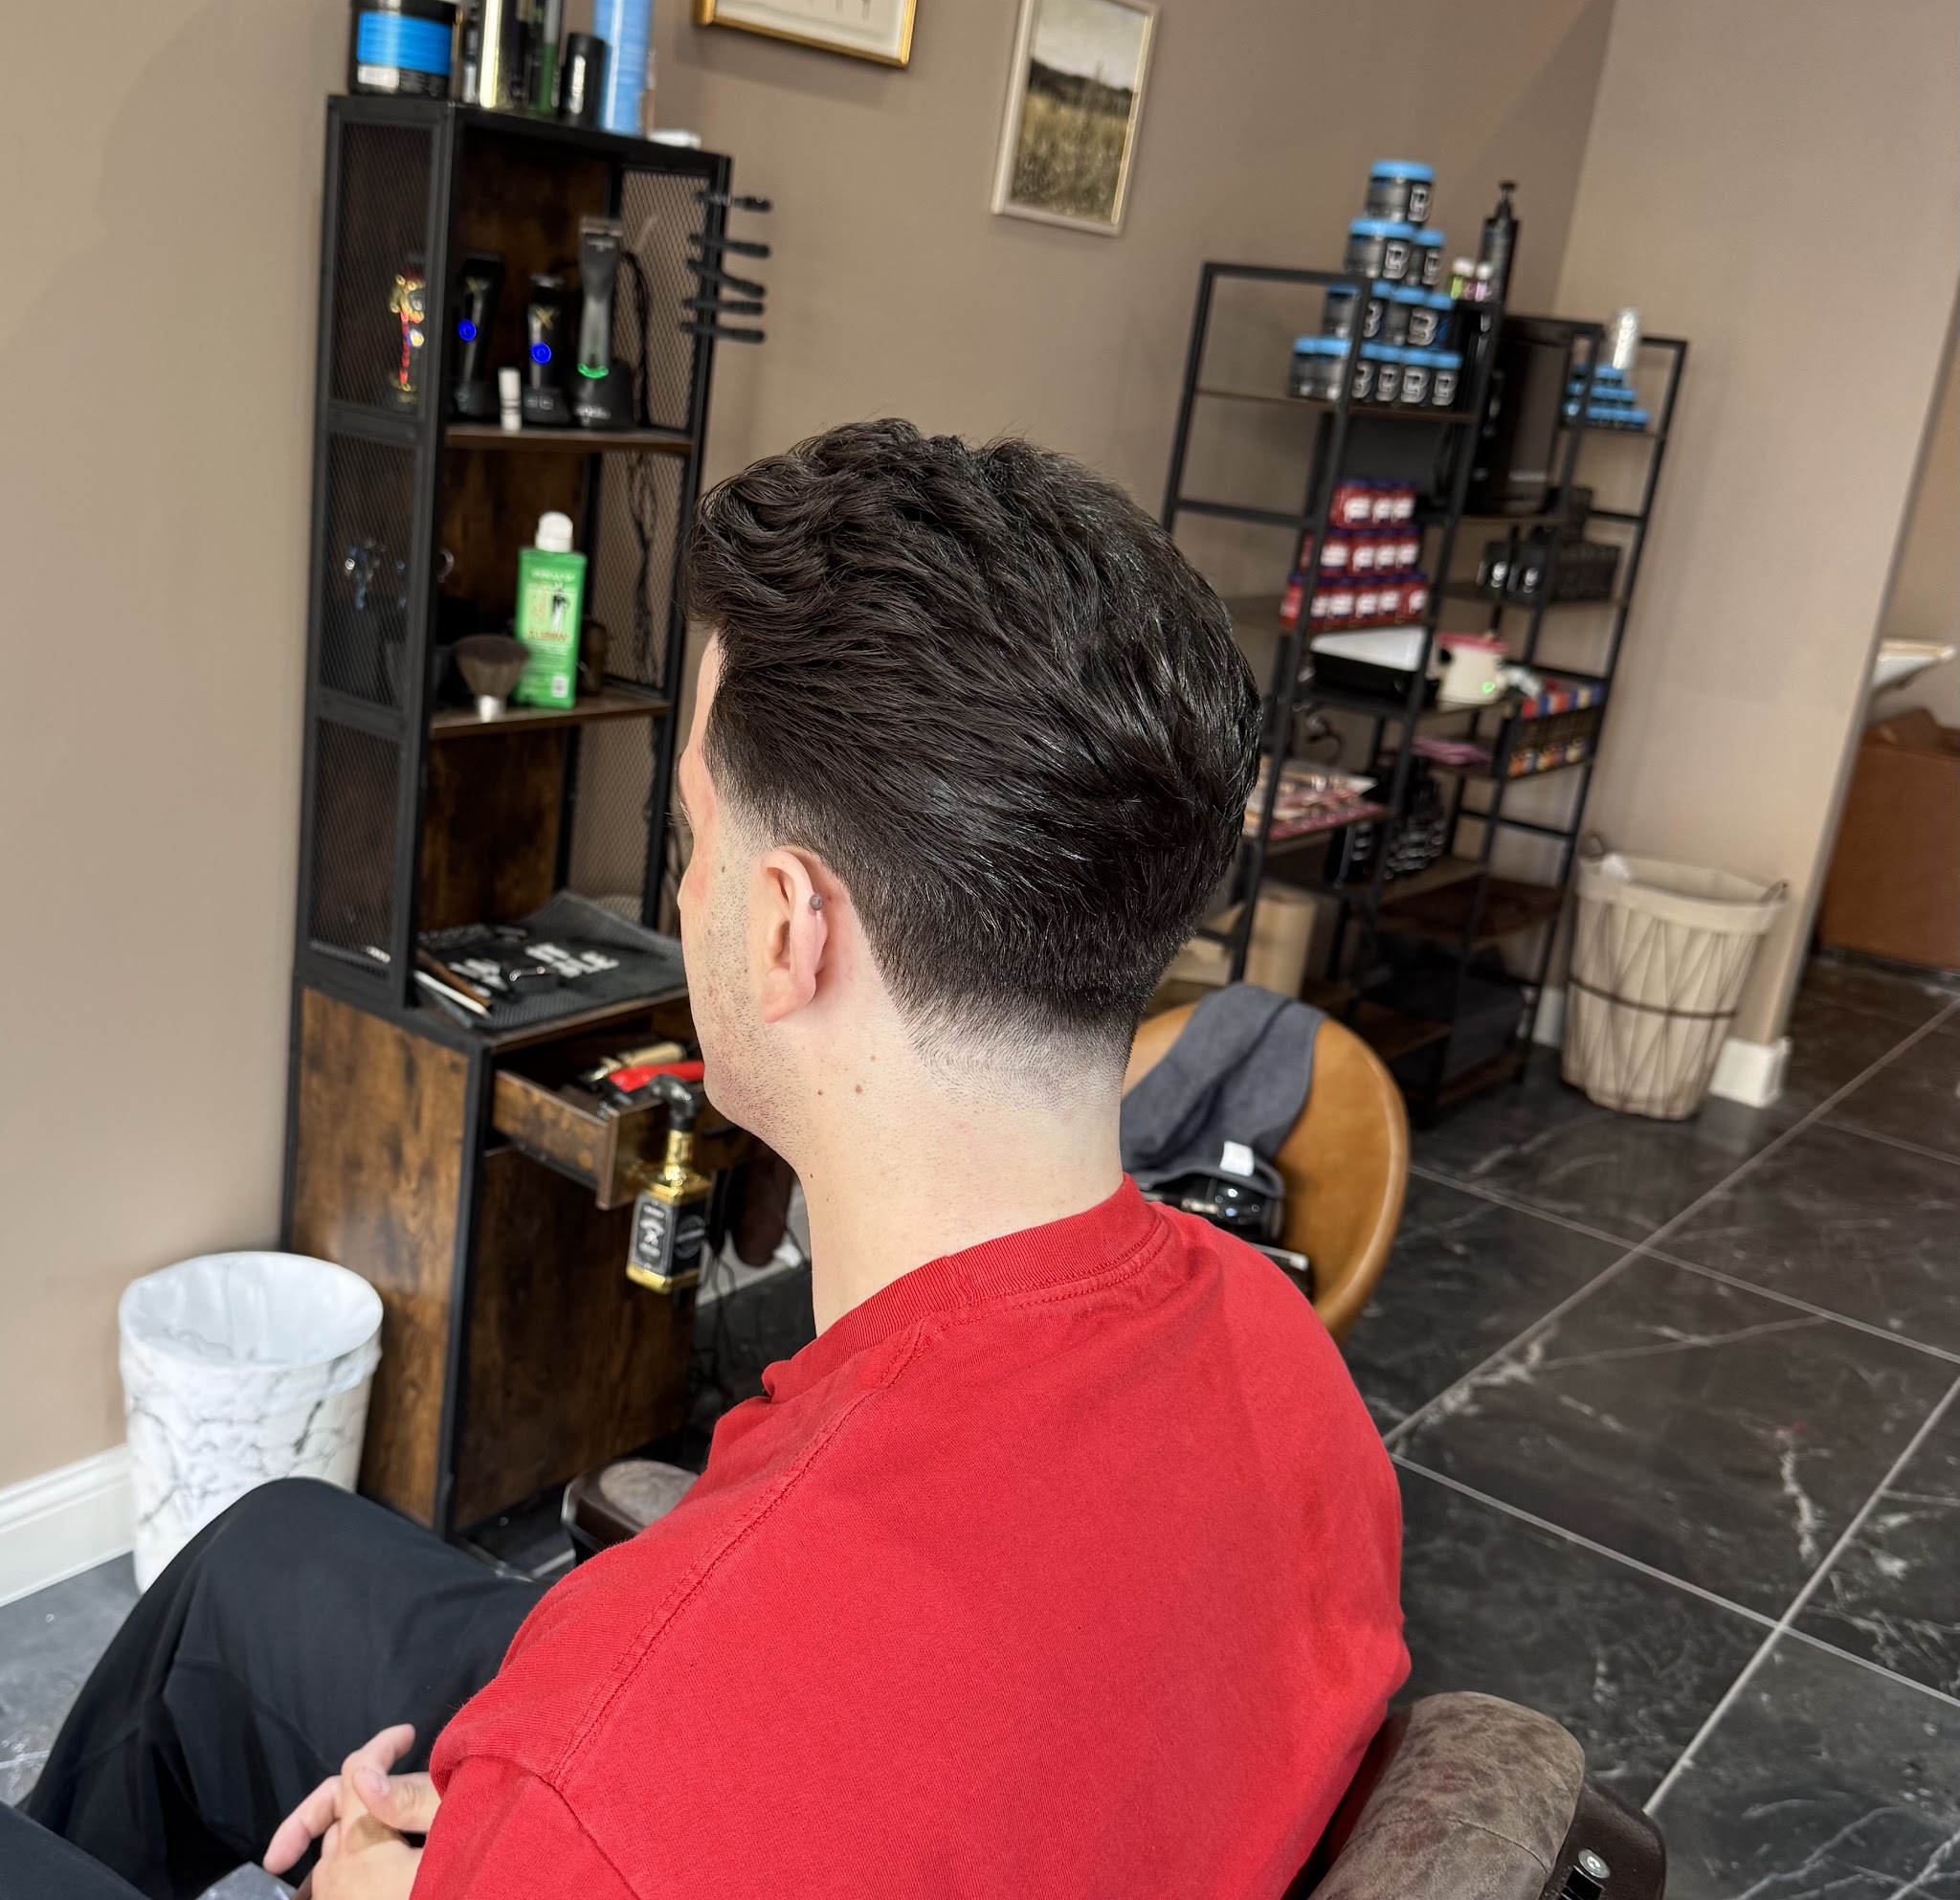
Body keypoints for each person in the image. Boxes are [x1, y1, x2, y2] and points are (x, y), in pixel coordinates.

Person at [11, 422, 1406, 1899]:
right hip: (827, 1762)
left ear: (791, 927)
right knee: (268, 1564)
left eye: (693, 832)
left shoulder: (620, 1789)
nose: (685, 889)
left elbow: (669, 1783)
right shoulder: (1285, 1355)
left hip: (685, 1783)